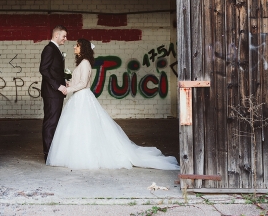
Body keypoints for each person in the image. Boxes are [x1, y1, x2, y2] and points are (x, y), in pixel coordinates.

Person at [46, 38, 180, 170]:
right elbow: (79, 82)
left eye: (77, 45)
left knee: (85, 127)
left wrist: (68, 89)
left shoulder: (85, 62)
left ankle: (84, 156)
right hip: (78, 97)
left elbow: (83, 83)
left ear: (83, 49)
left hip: (82, 98)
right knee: (77, 127)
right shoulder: (82, 63)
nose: (74, 47)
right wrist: (70, 84)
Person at [39, 25, 68, 161]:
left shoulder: (55, 49)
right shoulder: (49, 49)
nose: (65, 39)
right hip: (52, 93)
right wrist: (58, 86)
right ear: (56, 35)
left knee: (54, 122)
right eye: (64, 36)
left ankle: (52, 152)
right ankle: (48, 154)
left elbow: (54, 71)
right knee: (51, 122)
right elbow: (44, 69)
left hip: (55, 92)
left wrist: (64, 82)